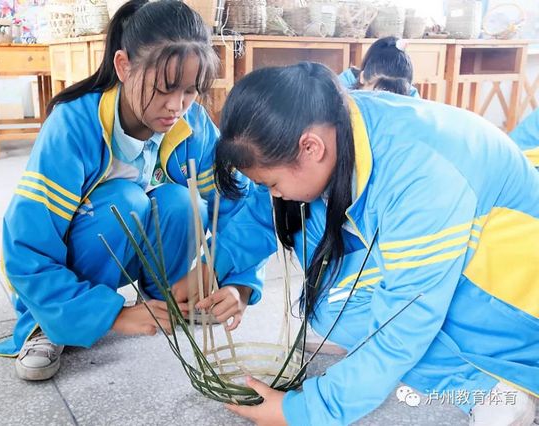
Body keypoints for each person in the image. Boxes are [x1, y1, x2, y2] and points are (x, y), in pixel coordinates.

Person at [213, 62, 539, 425]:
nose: (273, 193)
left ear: (310, 147)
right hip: (464, 263)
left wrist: (302, 411)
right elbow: (266, 209)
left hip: (511, 299)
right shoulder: (337, 122)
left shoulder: (420, 175)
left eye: (271, 183)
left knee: (396, 325)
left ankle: (490, 387)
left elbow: (404, 324)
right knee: (326, 305)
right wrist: (218, 271)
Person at [0, 0, 268, 382]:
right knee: (125, 200)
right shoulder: (74, 124)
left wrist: (236, 283)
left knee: (182, 202)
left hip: (135, 247)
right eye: (164, 89)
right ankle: (48, 323)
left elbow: (243, 208)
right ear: (123, 66)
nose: (176, 107)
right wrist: (113, 316)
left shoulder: (194, 126)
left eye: (190, 91)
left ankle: (164, 301)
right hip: (79, 260)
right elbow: (26, 246)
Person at [339, 36, 419, 97]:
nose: (384, 106)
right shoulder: (341, 90)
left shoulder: (411, 97)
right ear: (362, 77)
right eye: (378, 97)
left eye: (395, 99)